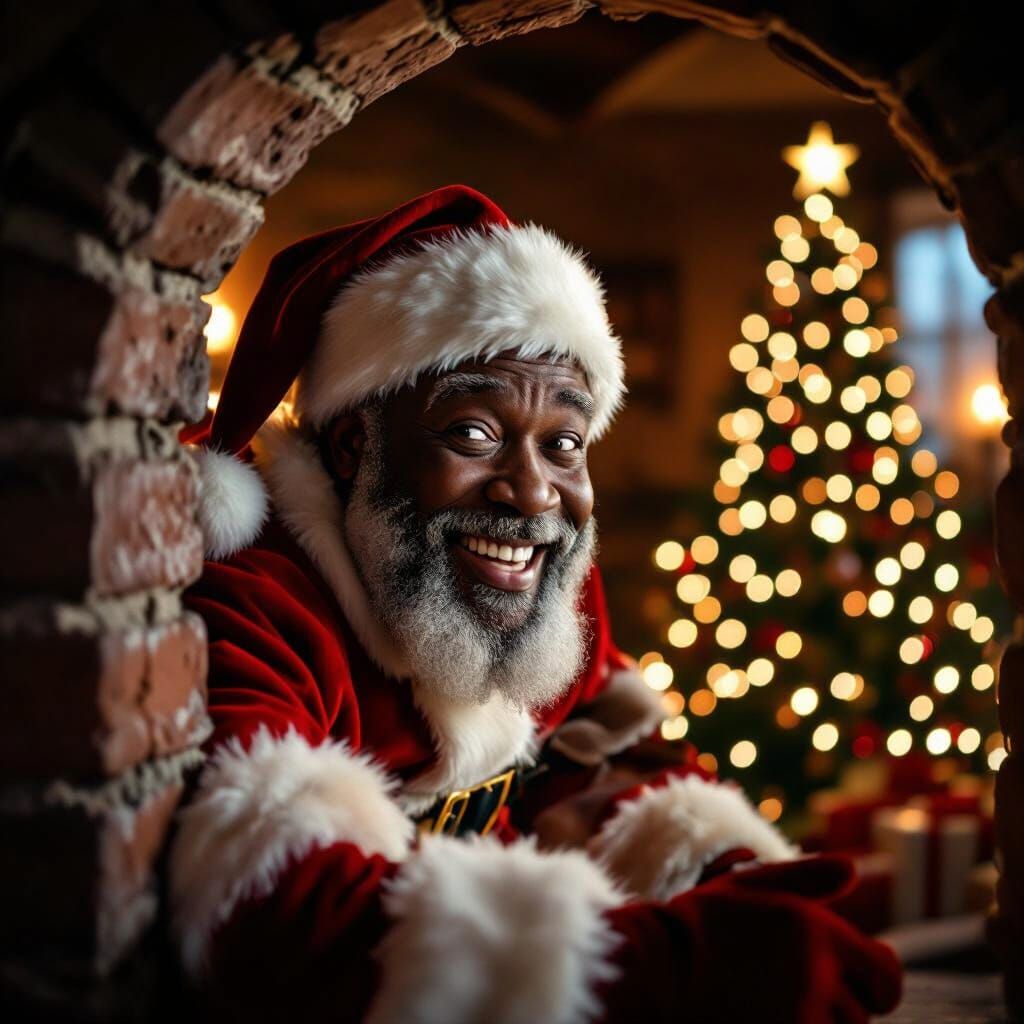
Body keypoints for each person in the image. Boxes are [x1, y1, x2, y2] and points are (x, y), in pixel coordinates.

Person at [170, 185, 901, 1023]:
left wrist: (726, 876)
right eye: (474, 434)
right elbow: (270, 907)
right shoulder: (255, 594)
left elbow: (613, 762)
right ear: (352, 448)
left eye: (563, 444)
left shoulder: (526, 584)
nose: (530, 495)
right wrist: (651, 969)